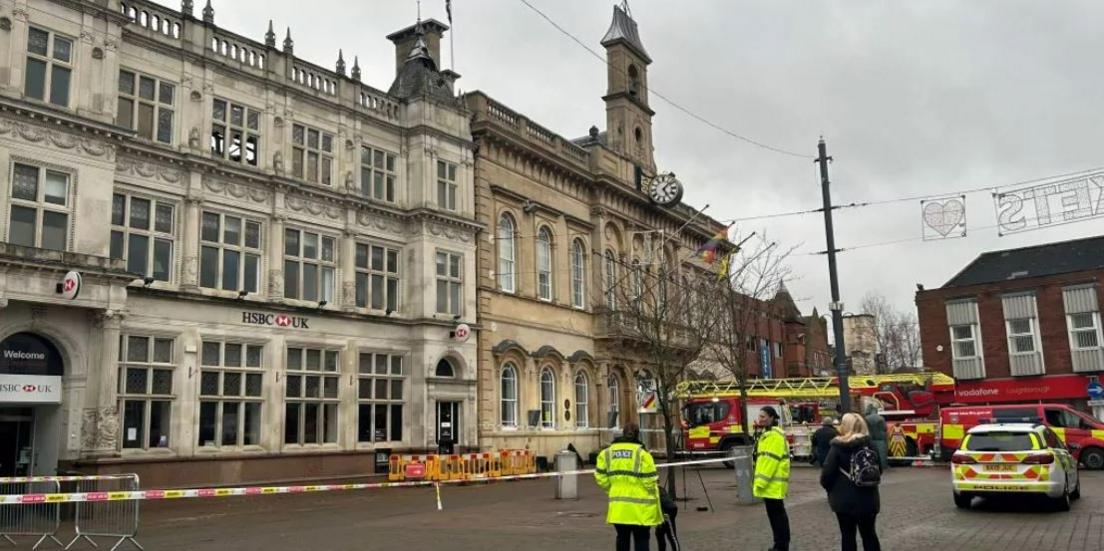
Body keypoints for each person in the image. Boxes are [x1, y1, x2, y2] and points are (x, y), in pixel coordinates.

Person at [595, 422, 663, 551]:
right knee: (641, 538)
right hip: (640, 508)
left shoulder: (606, 453)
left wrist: (612, 489)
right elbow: (650, 480)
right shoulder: (643, 454)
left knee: (622, 538)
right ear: (638, 435)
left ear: (623, 433)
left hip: (618, 507)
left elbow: (600, 477)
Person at [820, 413, 882, 551]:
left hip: (844, 499)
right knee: (869, 535)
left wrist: (831, 489)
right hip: (869, 498)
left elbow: (827, 473)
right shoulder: (871, 445)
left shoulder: (838, 446)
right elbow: (879, 469)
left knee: (847, 536)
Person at [753, 406, 791, 551]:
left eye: (763, 416)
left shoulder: (774, 436)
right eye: (760, 416)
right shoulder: (767, 434)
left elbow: (770, 461)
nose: (760, 419)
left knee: (777, 517)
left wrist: (760, 482)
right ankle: (779, 545)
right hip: (771, 484)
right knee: (776, 517)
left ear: (771, 417)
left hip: (772, 484)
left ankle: (781, 546)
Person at [864, 405, 889, 471]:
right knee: (882, 453)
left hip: (871, 438)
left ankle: (874, 465)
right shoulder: (881, 418)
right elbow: (885, 428)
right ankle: (883, 466)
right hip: (881, 439)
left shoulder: (866, 418)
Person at [655, 485, 680, 551]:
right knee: (660, 534)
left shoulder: (655, 491)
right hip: (664, 514)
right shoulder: (660, 489)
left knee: (672, 537)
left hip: (667, 514)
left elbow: (671, 506)